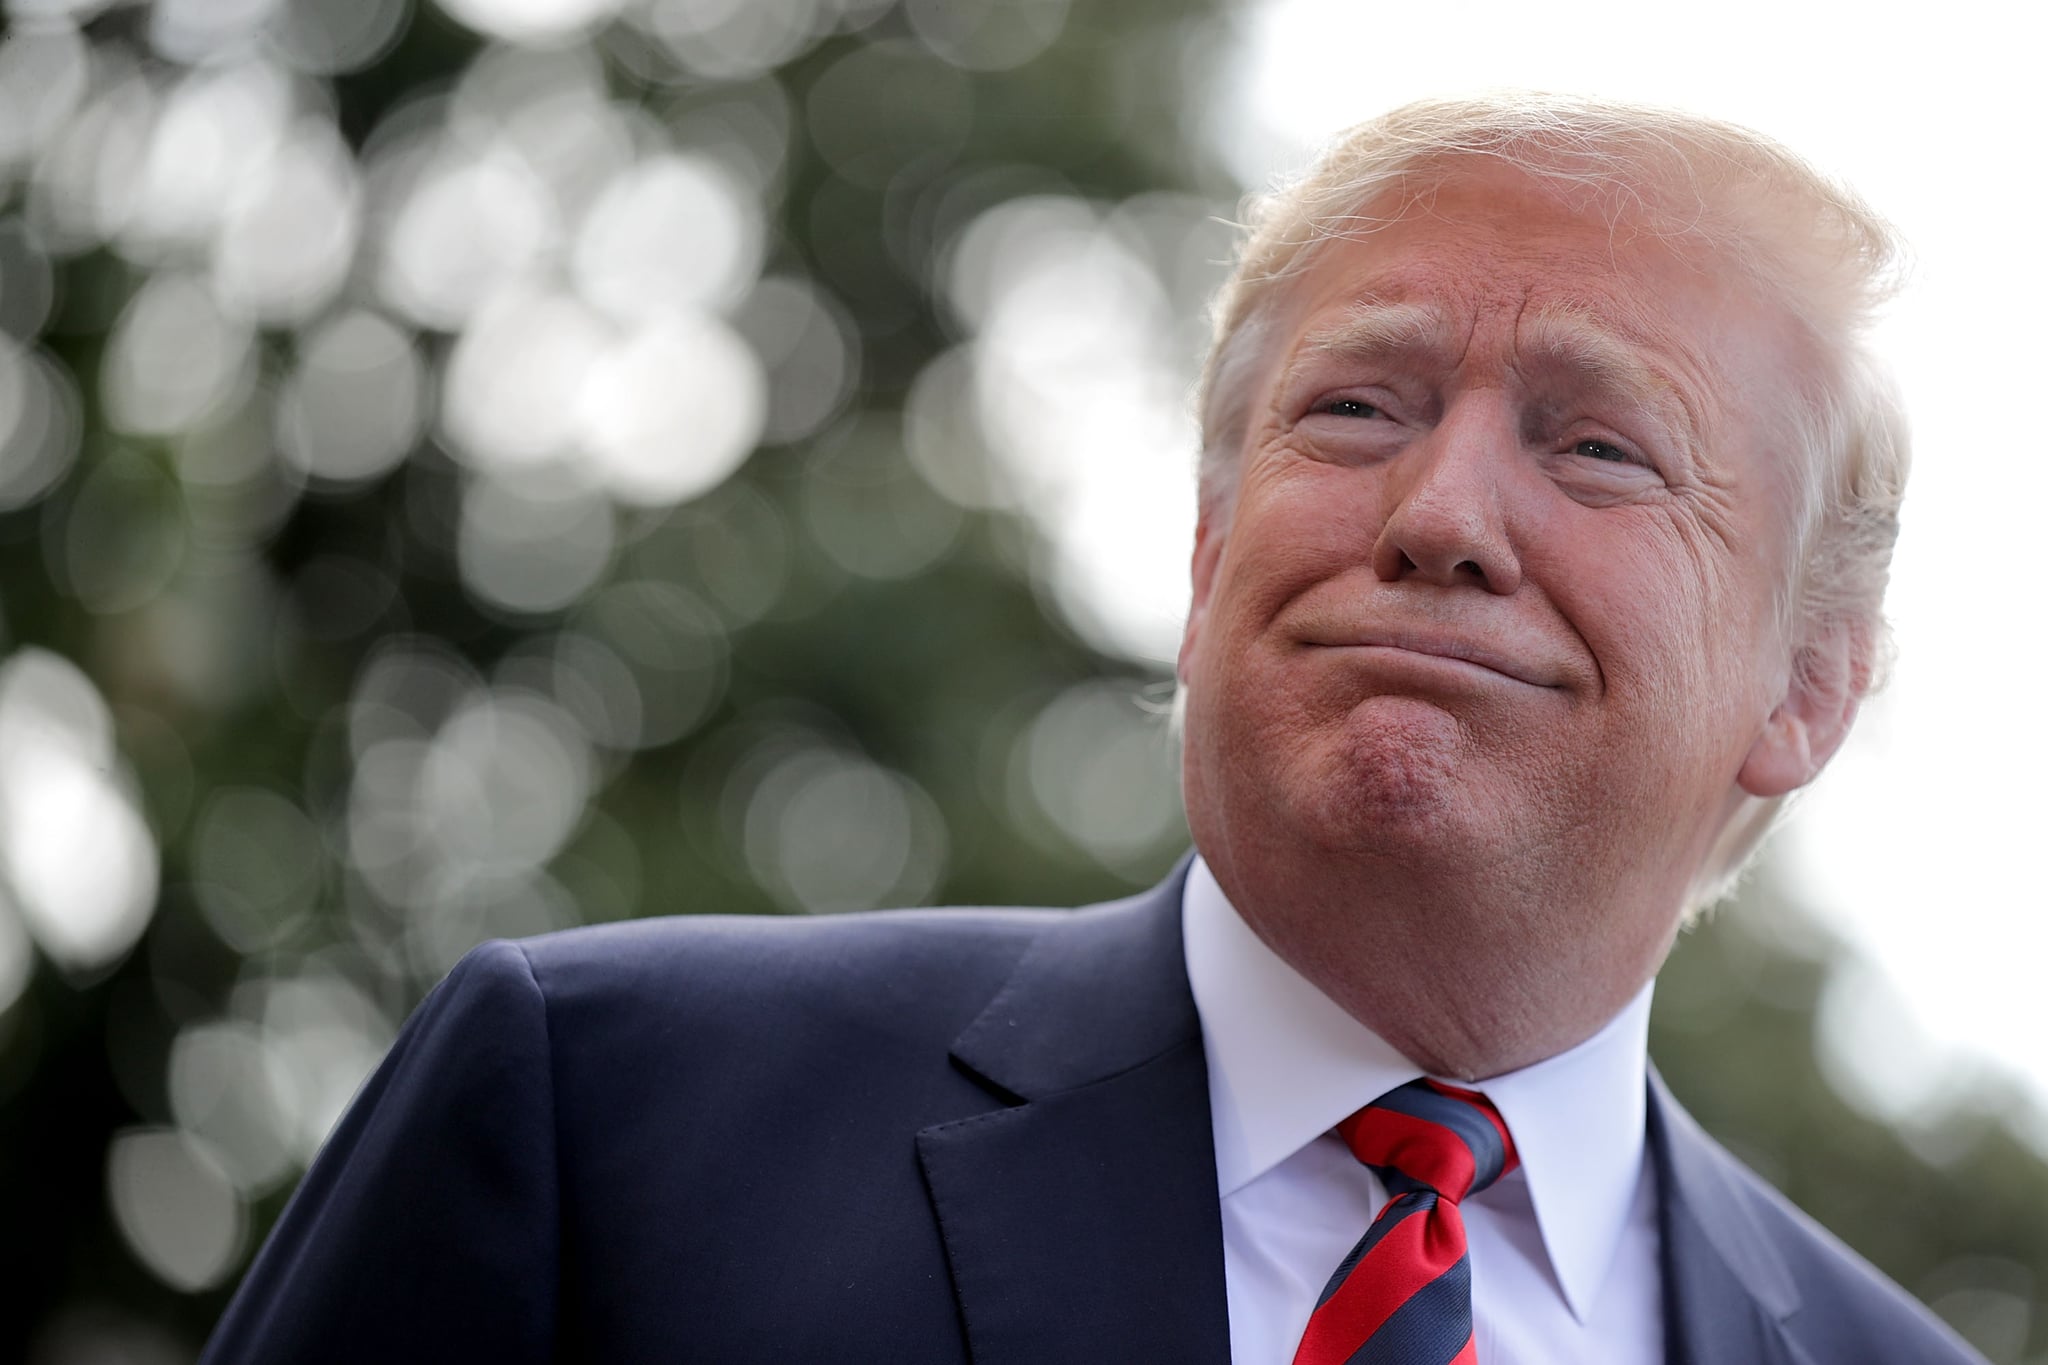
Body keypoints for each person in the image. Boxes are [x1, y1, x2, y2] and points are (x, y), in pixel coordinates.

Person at [200, 94, 1983, 1364]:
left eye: (1597, 444)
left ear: (1806, 685)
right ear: (1208, 557)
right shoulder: (603, 1121)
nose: (1439, 510)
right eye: (1357, 407)